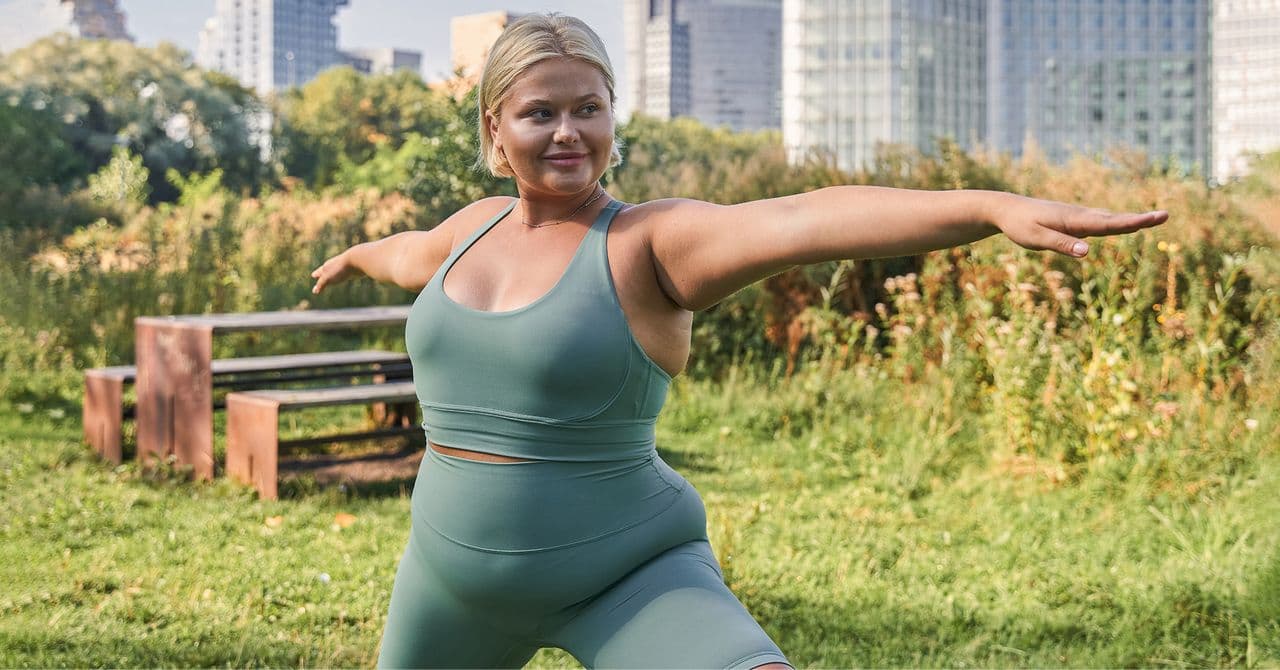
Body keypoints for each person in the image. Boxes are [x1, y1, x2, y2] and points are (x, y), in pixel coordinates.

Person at [309, 13, 1167, 669]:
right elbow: (406, 260)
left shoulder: (649, 242)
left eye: (589, 108)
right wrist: (353, 255)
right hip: (448, 581)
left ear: (613, 119)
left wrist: (986, 208)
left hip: (622, 575)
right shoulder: (469, 228)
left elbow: (803, 217)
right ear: (497, 132)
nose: (568, 131)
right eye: (541, 112)